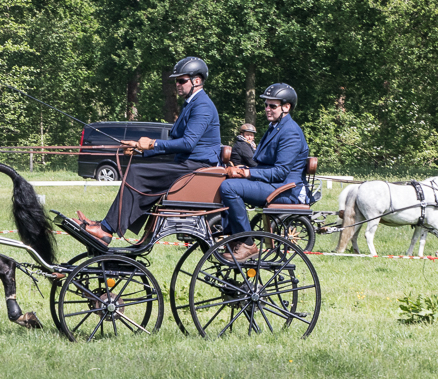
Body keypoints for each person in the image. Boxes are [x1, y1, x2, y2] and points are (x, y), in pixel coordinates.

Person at [78, 57, 222, 244]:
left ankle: (106, 229)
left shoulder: (202, 105)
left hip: (196, 168)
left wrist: (152, 143)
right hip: (187, 163)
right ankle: (107, 225)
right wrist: (139, 150)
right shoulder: (191, 103)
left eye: (181, 80)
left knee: (137, 174)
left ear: (197, 80)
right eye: (176, 80)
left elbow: (187, 144)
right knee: (138, 169)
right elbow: (175, 143)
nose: (177, 84)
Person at [218, 83, 310, 260]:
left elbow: (280, 172)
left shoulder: (290, 132)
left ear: (286, 107)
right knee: (223, 179)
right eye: (266, 105)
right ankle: (233, 237)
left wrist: (247, 174)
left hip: (286, 189)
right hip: (274, 185)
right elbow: (261, 163)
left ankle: (247, 244)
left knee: (229, 187)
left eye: (272, 106)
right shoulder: (274, 127)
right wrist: (240, 169)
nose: (267, 109)